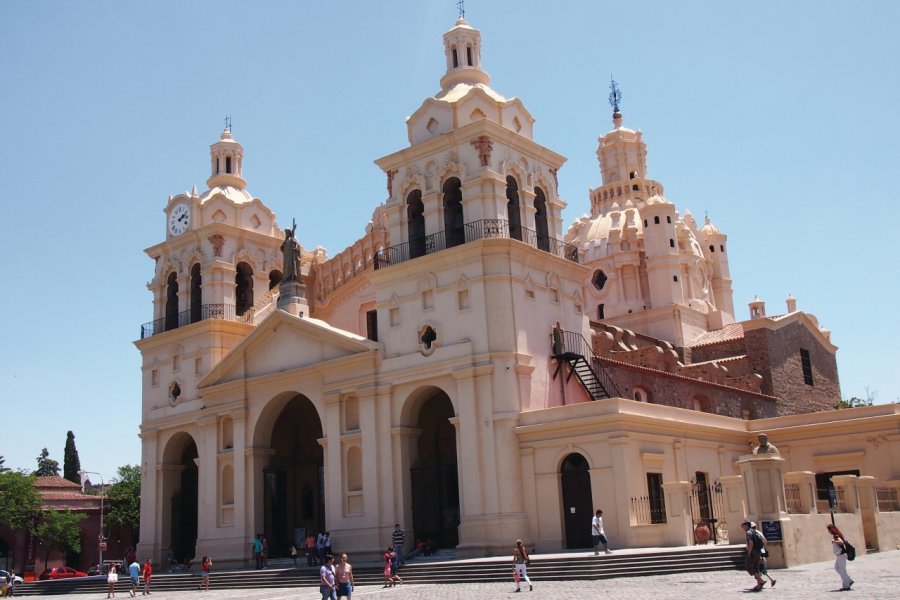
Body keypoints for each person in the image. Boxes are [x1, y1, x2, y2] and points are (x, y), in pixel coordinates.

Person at [741, 519, 767, 591]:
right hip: (758, 551)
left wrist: (749, 553)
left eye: (742, 526)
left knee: (749, 567)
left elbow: (751, 543)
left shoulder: (748, 532)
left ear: (746, 525)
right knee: (755, 568)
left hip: (753, 552)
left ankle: (761, 581)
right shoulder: (754, 531)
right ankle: (759, 584)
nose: (742, 527)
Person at [827, 524, 854, 590]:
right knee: (836, 568)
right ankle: (849, 580)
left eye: (829, 530)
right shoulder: (836, 535)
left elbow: (841, 542)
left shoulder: (836, 536)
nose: (828, 531)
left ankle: (846, 586)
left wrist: (834, 541)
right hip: (840, 555)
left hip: (841, 555)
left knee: (842, 570)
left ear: (832, 530)